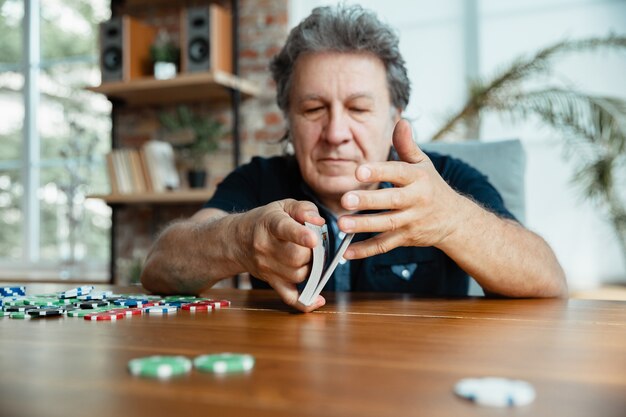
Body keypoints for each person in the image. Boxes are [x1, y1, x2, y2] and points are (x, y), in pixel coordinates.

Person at [141, 4, 567, 312]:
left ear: (394, 118)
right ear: (288, 118)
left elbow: (548, 280)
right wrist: (236, 240)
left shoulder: (447, 182)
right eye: (313, 109)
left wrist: (453, 220)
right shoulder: (260, 181)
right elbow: (159, 268)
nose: (336, 134)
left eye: (359, 109)